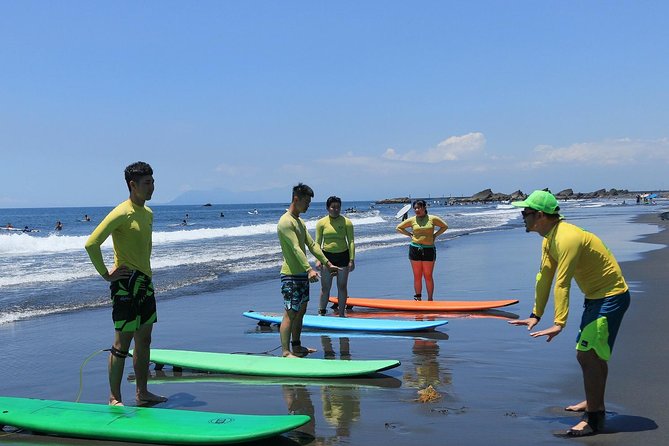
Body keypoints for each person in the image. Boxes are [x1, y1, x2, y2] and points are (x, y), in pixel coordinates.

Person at [508, 190, 630, 437]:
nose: (522, 217)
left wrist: (559, 322)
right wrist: (536, 314)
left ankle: (594, 418)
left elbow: (562, 283)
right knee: (592, 354)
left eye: (525, 213)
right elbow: (544, 277)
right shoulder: (549, 238)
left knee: (587, 354)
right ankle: (593, 400)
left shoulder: (567, 238)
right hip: (596, 298)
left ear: (540, 215)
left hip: (610, 297)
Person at [84, 161, 166, 407]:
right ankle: (114, 397)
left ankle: (142, 392)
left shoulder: (148, 213)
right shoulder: (121, 212)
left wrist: (147, 276)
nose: (152, 187)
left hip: (145, 282)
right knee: (122, 342)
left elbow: (145, 250)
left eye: (153, 181)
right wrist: (106, 275)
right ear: (133, 185)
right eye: (147, 183)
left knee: (145, 339)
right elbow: (92, 243)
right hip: (126, 285)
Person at [277, 183, 339, 357]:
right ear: (296, 199)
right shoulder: (285, 222)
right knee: (290, 312)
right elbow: (296, 248)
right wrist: (309, 269)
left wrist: (327, 263)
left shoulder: (299, 221)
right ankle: (285, 351)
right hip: (290, 275)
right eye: (306, 201)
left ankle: (296, 346)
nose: (308, 205)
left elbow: (311, 245)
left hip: (301, 275)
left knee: (301, 311)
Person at [396, 200, 448, 301]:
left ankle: (430, 299)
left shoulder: (432, 219)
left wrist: (435, 235)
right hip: (415, 248)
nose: (416, 210)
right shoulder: (412, 220)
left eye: (419, 208)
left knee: (428, 275)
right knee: (417, 275)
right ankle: (418, 298)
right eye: (415, 208)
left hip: (429, 249)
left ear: (424, 208)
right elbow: (399, 227)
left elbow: (444, 226)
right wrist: (410, 235)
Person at [315, 196, 355, 317]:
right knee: (325, 287)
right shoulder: (321, 223)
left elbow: (351, 241)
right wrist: (318, 259)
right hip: (327, 257)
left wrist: (351, 260)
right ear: (328, 208)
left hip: (343, 256)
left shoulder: (346, 222)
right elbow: (317, 242)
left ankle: (342, 314)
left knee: (342, 286)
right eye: (333, 207)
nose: (335, 209)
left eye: (338, 207)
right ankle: (321, 312)